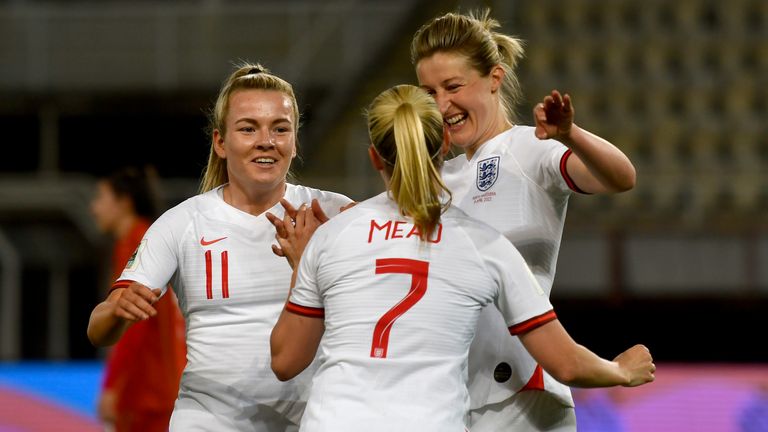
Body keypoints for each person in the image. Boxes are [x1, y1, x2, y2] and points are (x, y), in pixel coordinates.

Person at [268, 84, 654, 432]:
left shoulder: (333, 235)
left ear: (374, 157)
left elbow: (286, 362)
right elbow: (566, 364)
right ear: (446, 142)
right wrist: (620, 371)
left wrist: (304, 268)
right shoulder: (484, 245)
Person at [86, 63, 352, 431]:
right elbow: (98, 328)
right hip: (208, 420)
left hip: (312, 417)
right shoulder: (182, 223)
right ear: (221, 143)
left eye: (280, 128)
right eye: (248, 128)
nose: (266, 141)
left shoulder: (337, 214)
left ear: (295, 141)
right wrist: (118, 312)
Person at [410, 9, 639, 431]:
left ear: (494, 78)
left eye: (453, 86)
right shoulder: (438, 176)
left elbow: (620, 177)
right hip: (454, 398)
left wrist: (570, 135)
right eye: (429, 91)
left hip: (523, 397)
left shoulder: (528, 149)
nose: (442, 105)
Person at [90, 167, 186, 432]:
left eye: (100, 197)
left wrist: (113, 385)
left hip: (148, 389)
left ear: (124, 202)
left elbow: (133, 321)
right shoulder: (147, 237)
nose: (94, 208)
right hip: (164, 383)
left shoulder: (138, 242)